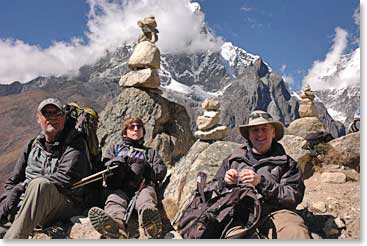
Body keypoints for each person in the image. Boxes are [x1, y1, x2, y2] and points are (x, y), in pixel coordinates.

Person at [211, 110, 310, 239]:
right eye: (255, 130)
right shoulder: (233, 160)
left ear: (273, 133)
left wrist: (261, 183)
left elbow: (293, 196)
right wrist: (225, 182)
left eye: (264, 129)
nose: (260, 134)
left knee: (295, 233)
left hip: (276, 214)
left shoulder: (287, 163)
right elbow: (212, 189)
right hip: (238, 216)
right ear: (249, 135)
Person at [1, 98, 91, 239]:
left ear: (65, 117)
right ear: (39, 119)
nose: (52, 117)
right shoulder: (32, 145)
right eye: (47, 114)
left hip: (63, 205)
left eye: (57, 113)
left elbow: (65, 177)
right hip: (26, 205)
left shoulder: (75, 144)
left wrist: (23, 186)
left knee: (40, 184)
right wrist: (8, 199)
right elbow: (12, 181)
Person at [88, 118, 167, 239]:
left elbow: (161, 170)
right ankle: (116, 227)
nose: (136, 129)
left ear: (143, 132)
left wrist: (147, 169)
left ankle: (151, 225)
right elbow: (104, 165)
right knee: (114, 201)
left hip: (143, 186)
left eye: (139, 127)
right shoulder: (115, 148)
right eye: (132, 127)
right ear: (125, 132)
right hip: (119, 187)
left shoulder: (150, 152)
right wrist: (116, 163)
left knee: (146, 199)